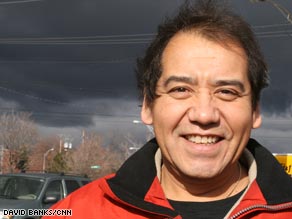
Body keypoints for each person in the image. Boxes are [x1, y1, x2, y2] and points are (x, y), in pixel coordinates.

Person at [42, 0, 292, 218]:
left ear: (255, 111)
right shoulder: (76, 212)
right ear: (148, 107)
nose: (204, 115)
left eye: (226, 92)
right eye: (180, 90)